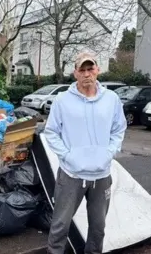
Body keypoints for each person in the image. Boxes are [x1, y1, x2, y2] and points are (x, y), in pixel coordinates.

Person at [44, 52, 127, 254]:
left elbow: (119, 129)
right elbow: (51, 132)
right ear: (75, 73)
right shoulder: (63, 100)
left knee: (98, 229)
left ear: (97, 70)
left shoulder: (111, 99)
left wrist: (109, 153)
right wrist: (68, 156)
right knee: (60, 227)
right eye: (82, 70)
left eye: (90, 69)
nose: (87, 74)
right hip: (71, 175)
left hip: (101, 176)